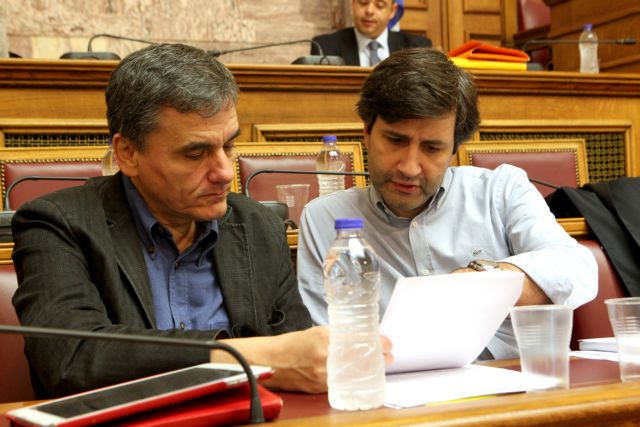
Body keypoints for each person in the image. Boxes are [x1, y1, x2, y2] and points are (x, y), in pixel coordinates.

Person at [11, 43, 336, 398]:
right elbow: (70, 359)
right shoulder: (58, 224)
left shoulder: (259, 226)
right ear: (127, 153)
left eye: (228, 146)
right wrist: (239, 357)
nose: (225, 173)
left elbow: (298, 359)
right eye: (196, 153)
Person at [296, 48, 598, 360]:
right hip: (393, 387)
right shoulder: (326, 219)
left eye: (432, 148)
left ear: (454, 148)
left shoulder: (500, 191)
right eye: (396, 141)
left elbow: (578, 269)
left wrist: (480, 281)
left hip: (515, 381)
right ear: (367, 133)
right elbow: (329, 347)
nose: (410, 167)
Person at [310, 0, 431, 66]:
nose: (369, 11)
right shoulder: (325, 46)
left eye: (379, 5)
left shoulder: (415, 47)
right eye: (363, 2)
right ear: (353, 4)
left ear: (392, 11)